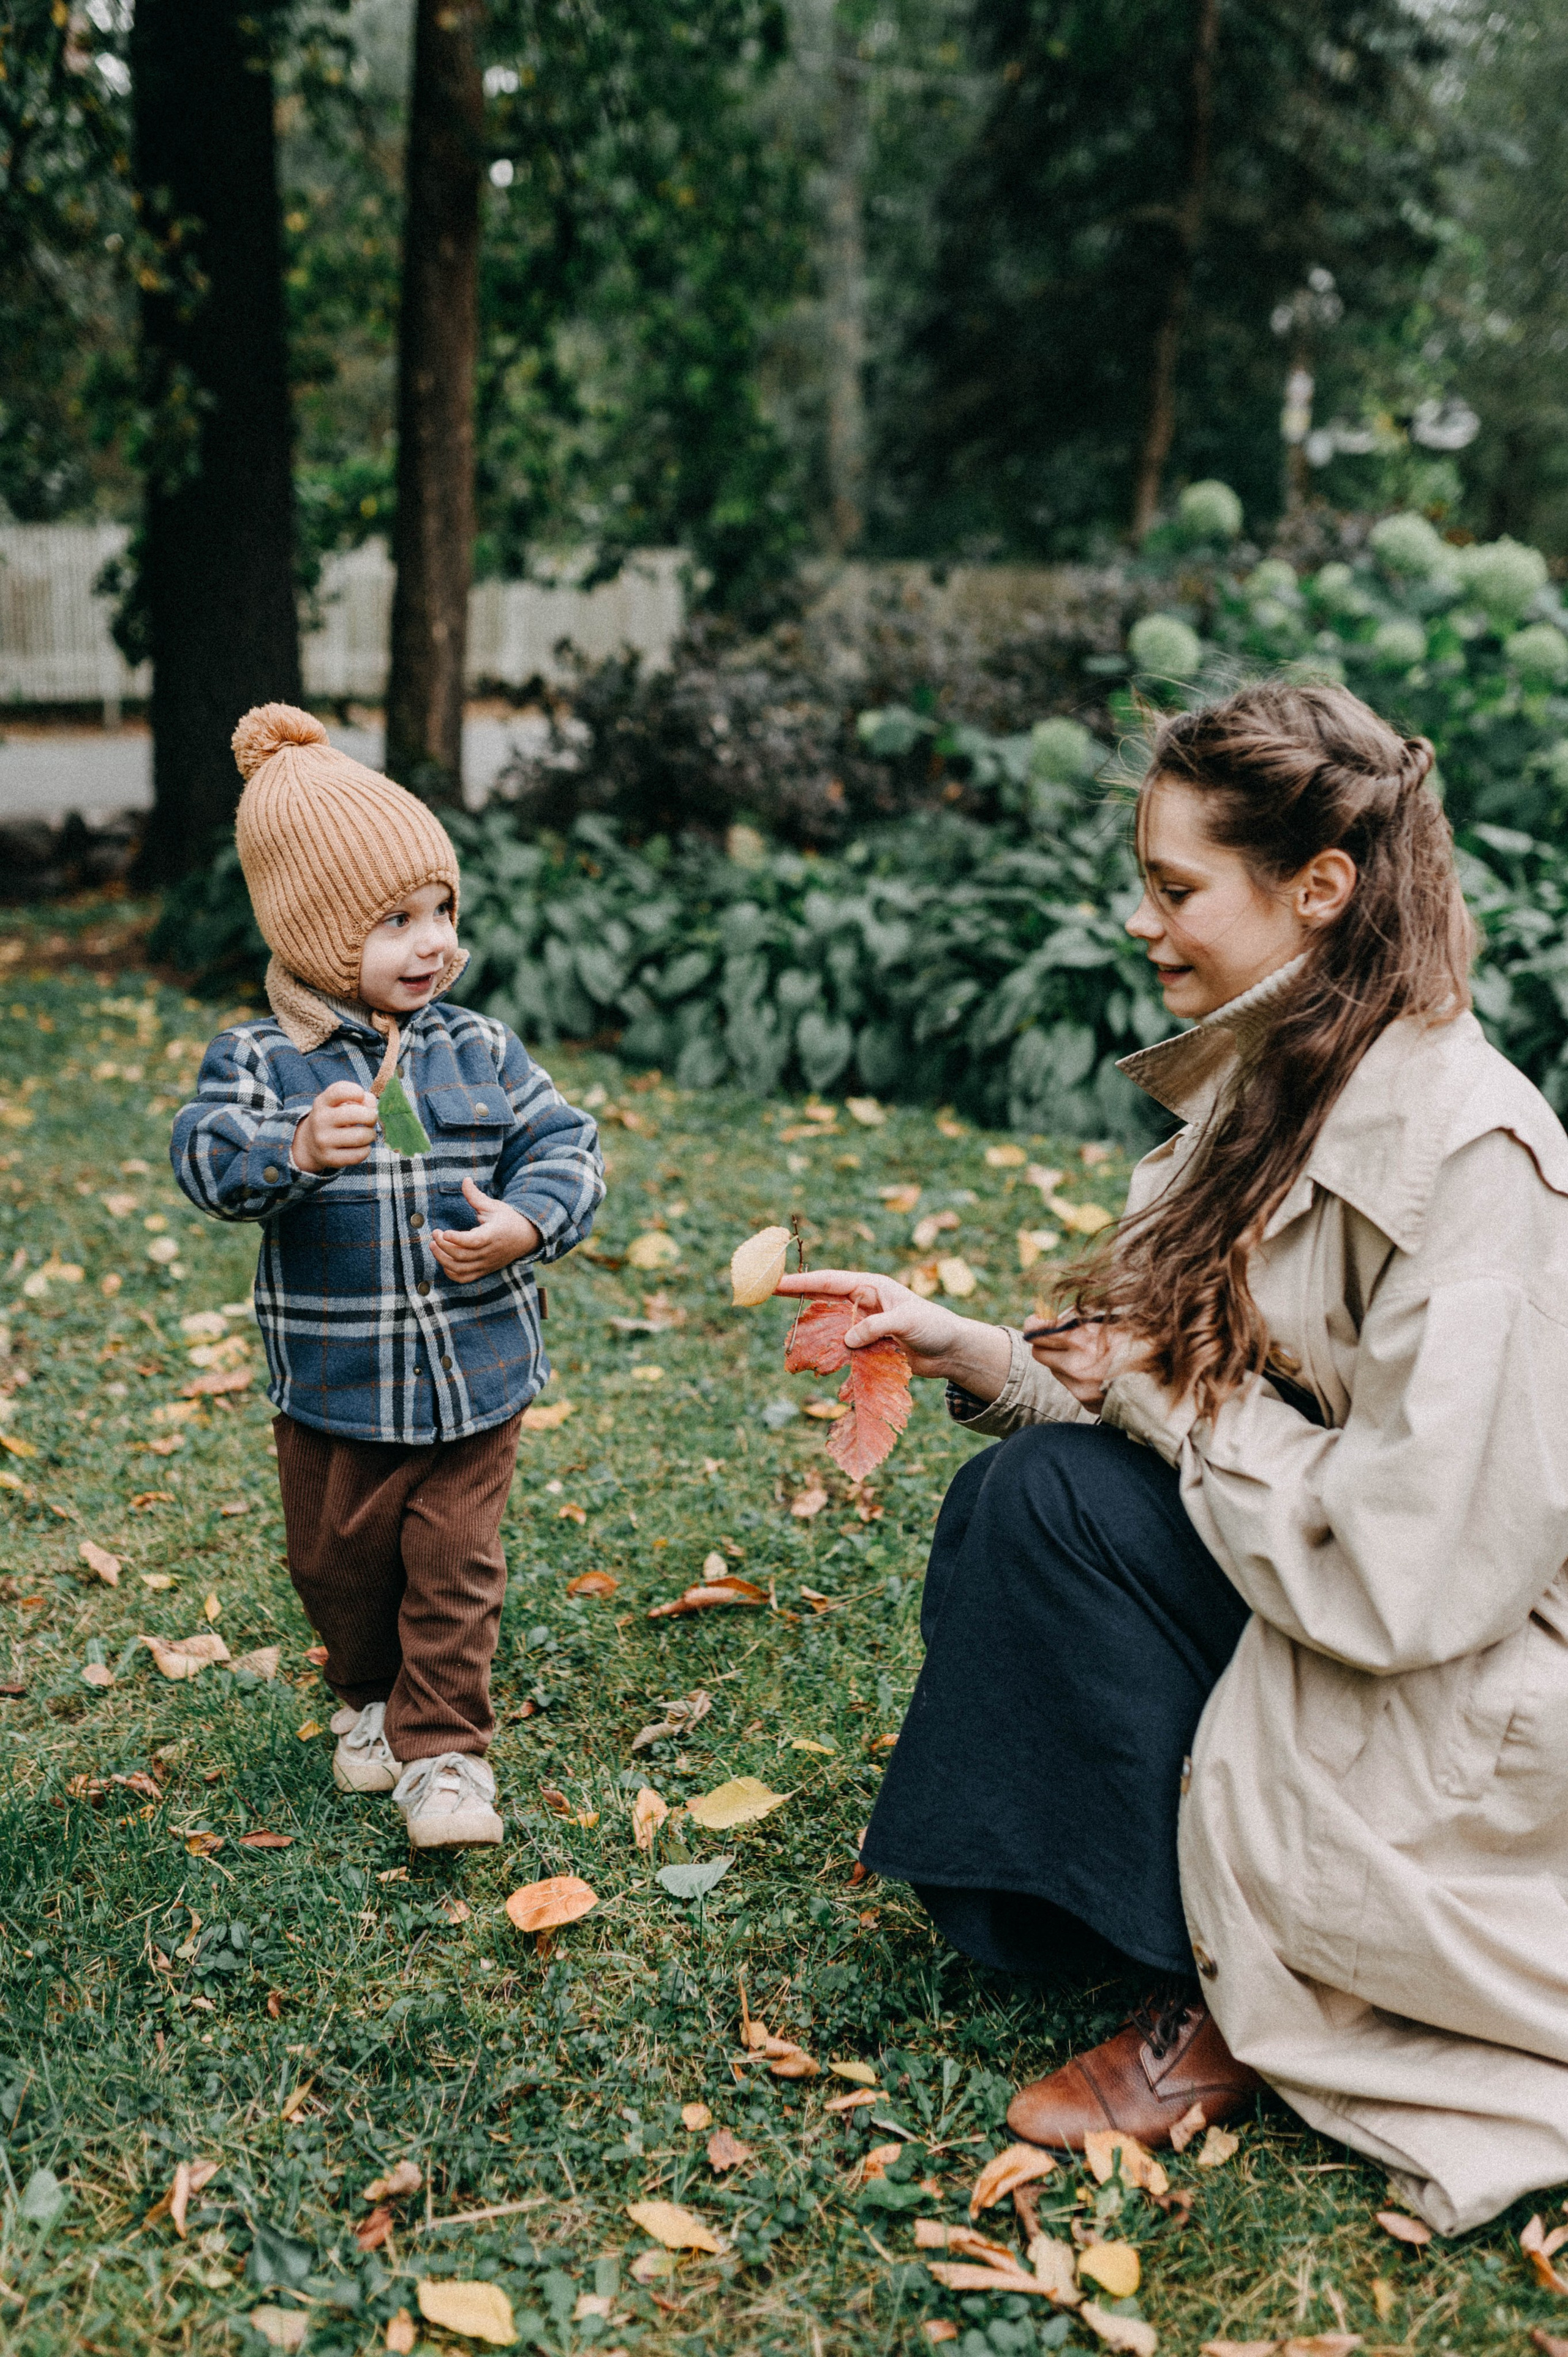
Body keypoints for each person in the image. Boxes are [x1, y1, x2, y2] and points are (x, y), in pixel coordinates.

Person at [778, 679, 1568, 2234]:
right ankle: (1166, 1914)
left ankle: (1230, 1999)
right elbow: (1166, 1391)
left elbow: (1413, 1573)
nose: (1141, 922)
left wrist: (1159, 1396)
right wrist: (969, 1347)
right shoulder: (1268, 1078)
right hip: (1309, 1585)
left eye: (1174, 886)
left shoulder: (1474, 1159)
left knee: (1053, 1508)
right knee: (1025, 1494)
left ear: (1316, 886)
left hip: (1446, 1673)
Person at [172, 703, 604, 1850]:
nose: (432, 944)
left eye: (442, 911)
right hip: (337, 1383)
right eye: (396, 920)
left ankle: (446, 1752)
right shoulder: (262, 1060)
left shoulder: (482, 1046)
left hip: (475, 1374)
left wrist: (527, 1221)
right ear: (316, 935)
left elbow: (568, 1144)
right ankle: (367, 1692)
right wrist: (296, 1148)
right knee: (336, 1566)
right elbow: (204, 1157)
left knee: (455, 1565)